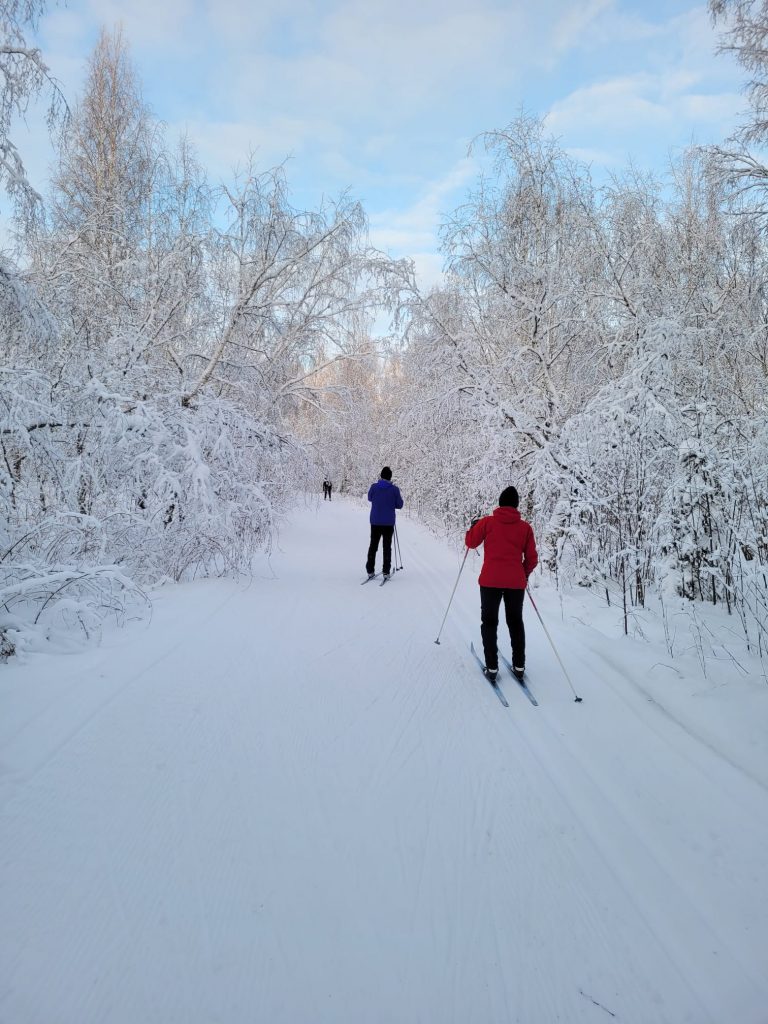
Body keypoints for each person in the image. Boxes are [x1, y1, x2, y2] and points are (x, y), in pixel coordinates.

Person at [464, 486, 538, 682]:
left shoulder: (487, 522)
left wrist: (472, 527)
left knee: (489, 622)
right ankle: (519, 665)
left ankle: (492, 667)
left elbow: (471, 543)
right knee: (515, 622)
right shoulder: (525, 528)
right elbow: (532, 558)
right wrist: (523, 573)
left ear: (500, 502)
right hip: (515, 582)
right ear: (516, 505)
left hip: (490, 581)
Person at [366, 466, 403, 579]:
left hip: (375, 521)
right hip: (388, 523)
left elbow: (369, 498)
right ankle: (386, 571)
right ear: (390, 477)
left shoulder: (374, 487)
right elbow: (400, 505)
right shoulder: (394, 489)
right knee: (387, 547)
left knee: (373, 545)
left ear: (381, 476)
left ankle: (370, 570)